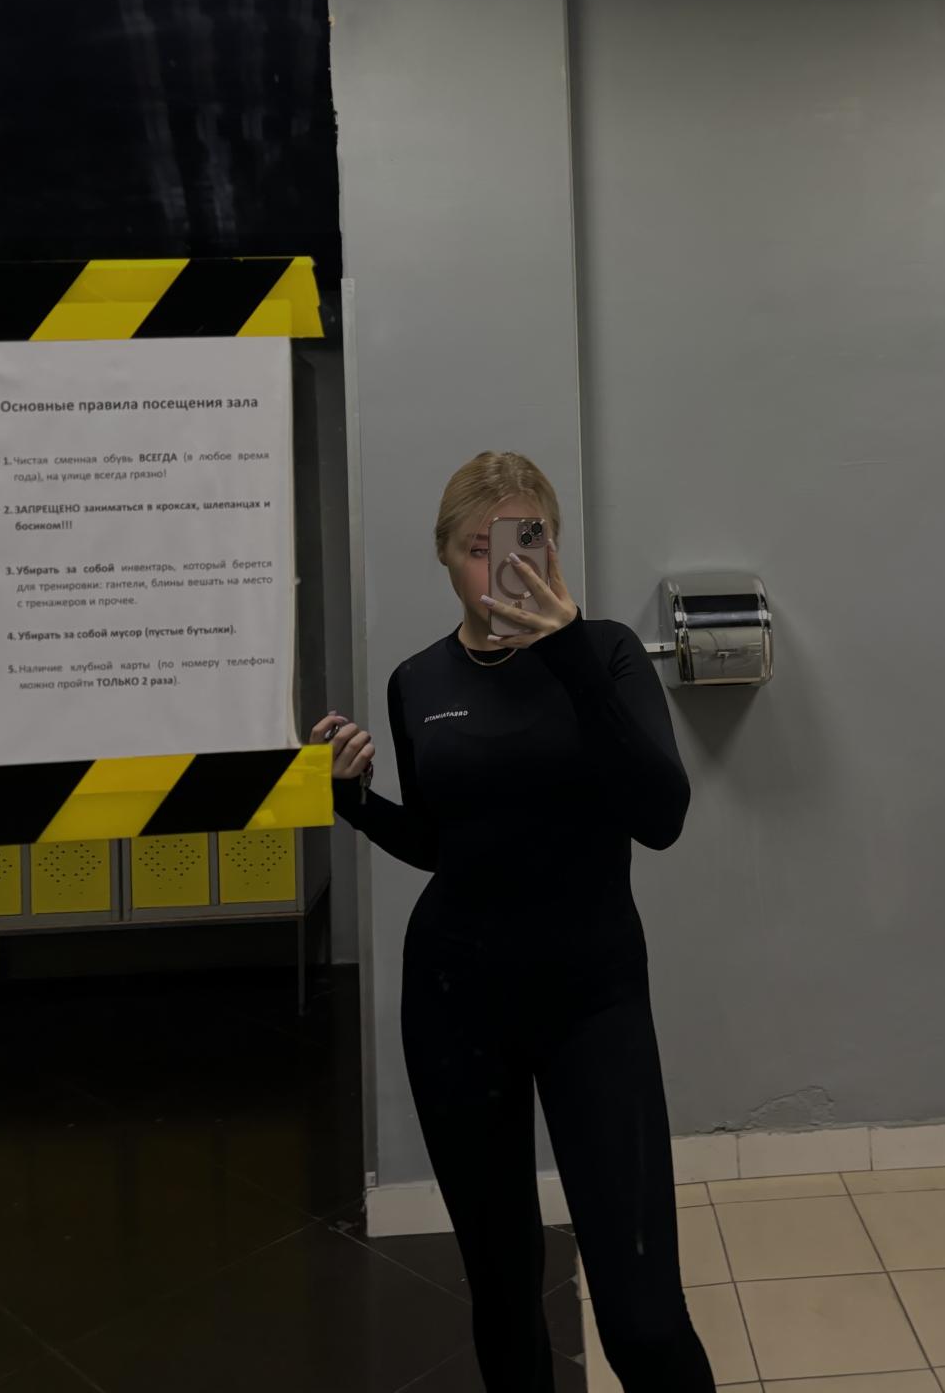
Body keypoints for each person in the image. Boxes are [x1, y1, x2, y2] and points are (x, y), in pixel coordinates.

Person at [312, 451, 715, 1392]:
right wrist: (354, 801)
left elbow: (661, 815)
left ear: (554, 546)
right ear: (446, 555)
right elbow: (441, 845)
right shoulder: (417, 682)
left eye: (528, 542)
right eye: (477, 547)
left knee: (644, 1316)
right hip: (456, 1003)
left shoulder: (606, 653)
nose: (504, 567)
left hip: (594, 1001)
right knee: (502, 1291)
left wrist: (564, 649)